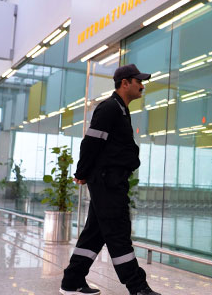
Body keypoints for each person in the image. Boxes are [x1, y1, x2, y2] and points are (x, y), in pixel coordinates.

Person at [60, 64, 161, 295]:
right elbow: (91, 142)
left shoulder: (121, 109)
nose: (142, 85)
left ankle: (72, 281)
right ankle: (137, 287)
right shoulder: (109, 108)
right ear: (125, 83)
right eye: (139, 81)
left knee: (95, 233)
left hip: (112, 180)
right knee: (118, 232)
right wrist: (81, 173)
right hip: (107, 181)